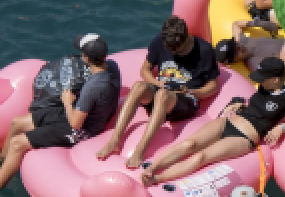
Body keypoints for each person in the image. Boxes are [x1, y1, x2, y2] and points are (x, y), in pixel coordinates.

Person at [0, 33, 122, 197]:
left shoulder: (93, 87)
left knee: (18, 143)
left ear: (85, 58)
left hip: (83, 129)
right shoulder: (113, 67)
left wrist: (67, 102)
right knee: (17, 123)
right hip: (82, 114)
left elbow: (75, 124)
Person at [96, 15, 224, 170]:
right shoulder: (159, 41)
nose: (174, 53)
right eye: (171, 50)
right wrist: (156, 82)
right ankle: (114, 141)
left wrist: (191, 91)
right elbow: (145, 69)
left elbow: (213, 86)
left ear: (186, 38)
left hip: (186, 100)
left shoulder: (204, 50)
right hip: (162, 89)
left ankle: (140, 150)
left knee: (162, 95)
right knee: (138, 86)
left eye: (178, 49)